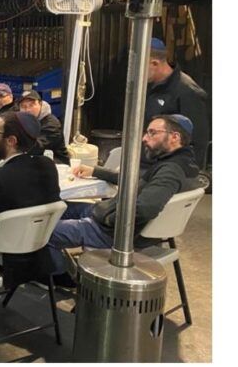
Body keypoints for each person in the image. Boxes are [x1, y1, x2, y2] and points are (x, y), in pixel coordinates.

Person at [47, 114, 201, 274]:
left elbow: (145, 209)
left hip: (112, 232)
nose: (144, 138)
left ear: (175, 137)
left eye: (152, 133)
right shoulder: (183, 164)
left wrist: (109, 219)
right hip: (111, 217)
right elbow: (137, 181)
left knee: (39, 232)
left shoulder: (171, 171)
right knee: (61, 208)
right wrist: (95, 171)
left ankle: (64, 276)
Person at [0, 111, 62, 283]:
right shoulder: (48, 166)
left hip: (3, 256)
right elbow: (25, 188)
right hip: (38, 251)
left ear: (11, 141)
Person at [144, 38, 209, 167]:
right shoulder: (146, 86)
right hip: (145, 162)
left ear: (155, 63)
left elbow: (198, 143)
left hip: (166, 169)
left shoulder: (188, 91)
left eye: (139, 66)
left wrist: (180, 173)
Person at [17, 90, 69, 163]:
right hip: (34, 161)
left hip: (57, 164)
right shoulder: (23, 121)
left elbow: (37, 147)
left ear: (40, 104)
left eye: (31, 105)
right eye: (23, 106)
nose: (28, 110)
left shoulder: (51, 124)